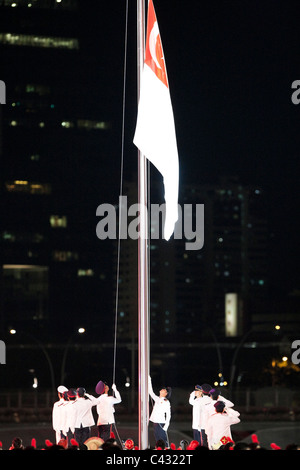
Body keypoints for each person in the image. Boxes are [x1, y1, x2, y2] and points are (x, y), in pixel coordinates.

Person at [148, 375, 171, 448]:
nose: (162, 390)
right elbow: (150, 392)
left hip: (161, 423)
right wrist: (149, 380)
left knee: (163, 440)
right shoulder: (157, 399)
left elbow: (168, 414)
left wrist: (166, 425)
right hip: (155, 422)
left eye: (164, 390)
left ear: (166, 393)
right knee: (157, 439)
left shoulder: (166, 401)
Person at [197, 383, 212, 447]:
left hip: (203, 424)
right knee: (212, 442)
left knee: (204, 443)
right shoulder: (212, 400)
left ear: (202, 391)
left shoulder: (199, 401)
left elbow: (198, 413)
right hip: (211, 424)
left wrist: (198, 425)